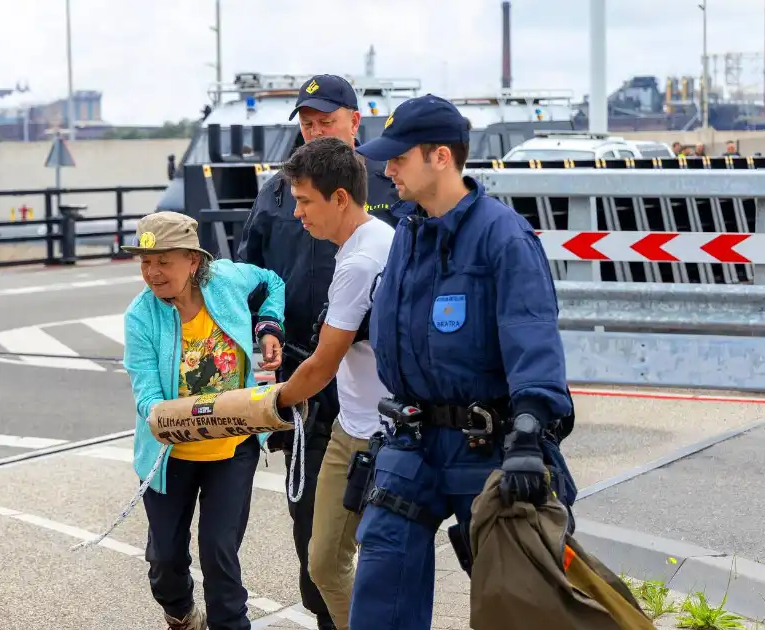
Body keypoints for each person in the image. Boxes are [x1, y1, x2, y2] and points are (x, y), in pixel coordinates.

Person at [348, 94, 577, 630]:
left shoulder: (502, 236)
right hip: (413, 441)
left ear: (441, 157)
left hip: (489, 446)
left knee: (520, 601)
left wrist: (528, 432)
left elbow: (531, 335)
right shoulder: (407, 233)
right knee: (380, 576)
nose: (389, 169)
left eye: (400, 157)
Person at [236, 73, 400, 630]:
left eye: (324, 121)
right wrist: (264, 327)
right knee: (314, 540)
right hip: (306, 387)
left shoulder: (391, 183)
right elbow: (250, 272)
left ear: (356, 121)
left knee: (382, 537)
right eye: (305, 123)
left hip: (375, 393)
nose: (312, 131)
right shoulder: (276, 190)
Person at [121, 211, 286, 630]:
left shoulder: (227, 281)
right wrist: (160, 412)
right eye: (144, 261)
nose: (152, 272)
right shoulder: (140, 316)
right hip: (169, 453)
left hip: (231, 446)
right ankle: (179, 612)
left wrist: (269, 326)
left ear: (193, 261)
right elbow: (146, 394)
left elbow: (273, 281)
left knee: (219, 552)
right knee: (165, 561)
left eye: (164, 261)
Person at [271, 136, 395, 630]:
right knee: (325, 563)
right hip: (354, 424)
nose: (298, 214)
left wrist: (272, 403)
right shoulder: (375, 238)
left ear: (340, 198)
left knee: (363, 565)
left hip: (381, 438)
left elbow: (322, 364)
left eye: (304, 201)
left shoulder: (362, 261)